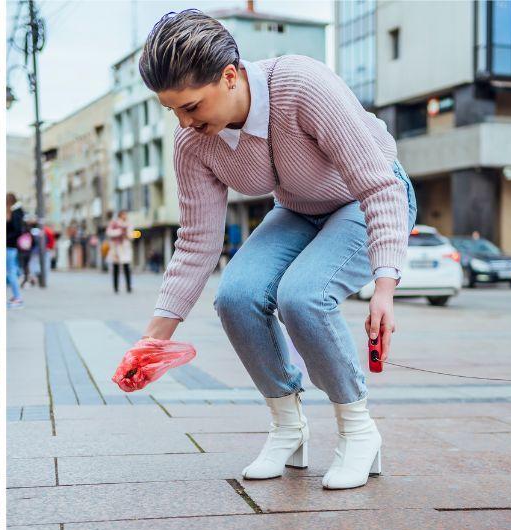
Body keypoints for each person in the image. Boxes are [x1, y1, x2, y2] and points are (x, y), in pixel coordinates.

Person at [120, 10, 416, 490]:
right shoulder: (192, 143)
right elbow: (197, 240)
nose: (183, 122)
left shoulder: (302, 84)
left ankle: (358, 430)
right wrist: (153, 340)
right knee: (235, 296)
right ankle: (287, 425)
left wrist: (385, 285)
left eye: (191, 106)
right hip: (299, 207)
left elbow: (379, 186)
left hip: (368, 196)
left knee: (302, 296)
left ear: (230, 76)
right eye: (171, 110)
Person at [105, 210, 134, 293]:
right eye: (123, 214)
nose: (125, 216)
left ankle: (129, 287)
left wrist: (128, 235)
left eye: (125, 214)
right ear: (120, 215)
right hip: (116, 247)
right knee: (116, 268)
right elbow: (109, 232)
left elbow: (131, 235)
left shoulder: (129, 224)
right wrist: (119, 232)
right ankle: (116, 287)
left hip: (125, 247)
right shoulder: (114, 223)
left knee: (127, 267)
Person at [5, 195, 26, 309]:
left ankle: (18, 297)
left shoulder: (14, 214)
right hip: (10, 247)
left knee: (10, 272)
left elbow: (17, 231)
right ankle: (17, 297)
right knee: (11, 271)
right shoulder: (14, 213)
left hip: (9, 247)